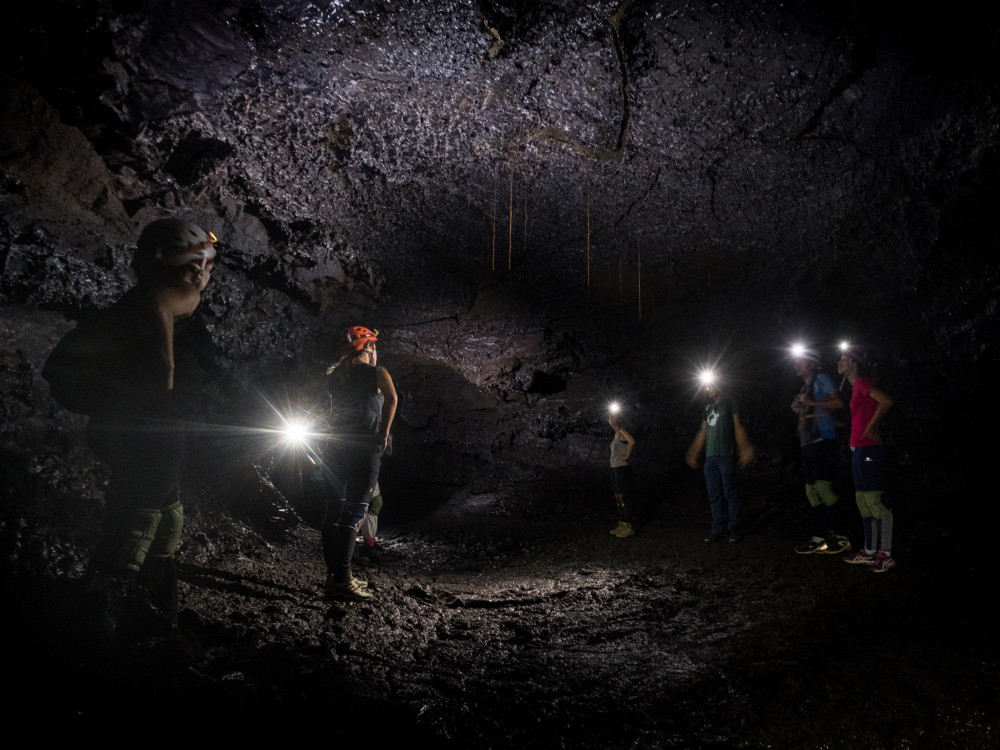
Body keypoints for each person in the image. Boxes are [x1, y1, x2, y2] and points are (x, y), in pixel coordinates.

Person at [86, 217, 217, 627]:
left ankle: (157, 617)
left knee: (162, 524)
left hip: (154, 432)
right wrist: (168, 366)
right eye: (207, 265)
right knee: (136, 527)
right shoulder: (170, 296)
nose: (207, 275)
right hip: (151, 434)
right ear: (190, 266)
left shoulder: (141, 301)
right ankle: (98, 625)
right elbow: (161, 308)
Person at [321, 326, 397, 601]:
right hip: (364, 448)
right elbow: (392, 398)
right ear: (369, 347)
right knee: (354, 514)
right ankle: (342, 581)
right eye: (374, 347)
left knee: (333, 512)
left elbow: (318, 406)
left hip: (335, 448)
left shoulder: (333, 377)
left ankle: (335, 576)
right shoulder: (377, 373)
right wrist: (383, 434)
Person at [838, 346, 896, 572]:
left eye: (843, 359)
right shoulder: (855, 388)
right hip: (859, 450)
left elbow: (887, 402)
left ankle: (886, 554)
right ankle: (870, 551)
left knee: (874, 501)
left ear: (853, 363)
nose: (838, 362)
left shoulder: (862, 383)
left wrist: (871, 427)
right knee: (863, 501)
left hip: (870, 449)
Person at [789, 347, 851, 555]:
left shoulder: (822, 378)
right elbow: (807, 411)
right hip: (807, 443)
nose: (796, 365)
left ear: (812, 363)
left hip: (824, 439)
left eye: (801, 361)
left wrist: (810, 402)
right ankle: (819, 538)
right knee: (811, 491)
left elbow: (837, 402)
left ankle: (841, 535)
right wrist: (799, 409)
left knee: (824, 488)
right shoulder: (805, 387)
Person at [685, 372, 755, 543]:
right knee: (713, 493)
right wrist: (693, 451)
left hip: (726, 454)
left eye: (710, 385)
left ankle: (734, 528)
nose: (707, 389)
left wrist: (744, 447)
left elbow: (738, 426)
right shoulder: (708, 408)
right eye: (705, 386)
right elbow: (703, 431)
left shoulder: (730, 403)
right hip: (711, 457)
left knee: (730, 491)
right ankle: (717, 529)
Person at [607, 406, 637, 538]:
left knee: (623, 497)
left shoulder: (621, 431)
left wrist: (626, 456)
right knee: (617, 497)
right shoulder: (615, 434)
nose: (611, 419)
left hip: (621, 468)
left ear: (619, 419)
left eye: (614, 417)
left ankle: (628, 525)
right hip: (614, 467)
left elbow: (632, 441)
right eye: (610, 417)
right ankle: (622, 523)